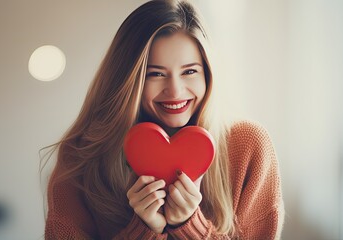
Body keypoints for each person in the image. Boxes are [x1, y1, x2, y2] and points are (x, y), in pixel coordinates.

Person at [44, 0, 284, 239]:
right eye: (155, 74)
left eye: (190, 71)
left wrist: (191, 226)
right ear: (128, 79)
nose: (175, 91)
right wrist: (143, 230)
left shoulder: (249, 146)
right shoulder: (80, 154)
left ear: (208, 74)